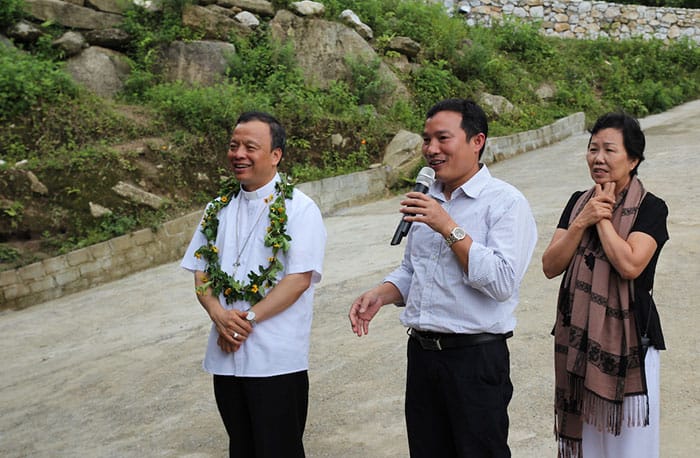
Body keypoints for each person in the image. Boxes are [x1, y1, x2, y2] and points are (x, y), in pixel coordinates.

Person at [348, 98, 537, 457]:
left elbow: (501, 281)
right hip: (422, 357)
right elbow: (412, 270)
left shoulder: (506, 203)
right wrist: (382, 293)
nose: (431, 149)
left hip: (474, 361)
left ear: (476, 141)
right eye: (426, 139)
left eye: (442, 139)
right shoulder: (429, 197)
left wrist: (448, 226)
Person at [181, 111, 326, 458]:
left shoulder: (299, 209)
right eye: (233, 146)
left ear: (276, 155)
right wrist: (218, 313)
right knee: (241, 447)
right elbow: (200, 271)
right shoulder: (217, 208)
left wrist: (246, 320)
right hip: (225, 352)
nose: (238, 154)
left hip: (275, 357)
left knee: (279, 449)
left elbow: (298, 279)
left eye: (250, 146)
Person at [541, 112, 669, 458]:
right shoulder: (577, 203)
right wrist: (582, 220)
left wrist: (603, 222)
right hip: (577, 343)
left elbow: (629, 264)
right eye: (592, 148)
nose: (598, 158)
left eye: (609, 150)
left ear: (633, 159)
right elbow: (551, 265)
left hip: (630, 345)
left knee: (630, 448)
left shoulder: (651, 208)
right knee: (589, 446)